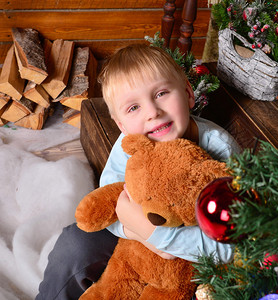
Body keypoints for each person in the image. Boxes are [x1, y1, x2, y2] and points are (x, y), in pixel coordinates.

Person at [36, 44, 241, 299]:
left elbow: (232, 246)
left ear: (188, 93)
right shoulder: (130, 142)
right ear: (122, 125)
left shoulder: (220, 151)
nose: (153, 112)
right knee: (75, 243)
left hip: (192, 257)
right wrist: (140, 232)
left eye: (162, 93)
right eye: (134, 108)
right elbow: (113, 203)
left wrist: (160, 238)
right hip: (135, 238)